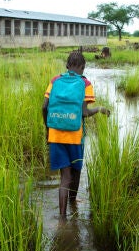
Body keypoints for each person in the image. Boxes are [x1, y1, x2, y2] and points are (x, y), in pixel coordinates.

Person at [42, 51, 110, 219]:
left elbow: (44, 107)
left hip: (55, 135)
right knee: (76, 172)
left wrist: (48, 130)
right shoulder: (85, 83)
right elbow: (85, 113)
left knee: (64, 178)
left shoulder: (55, 80)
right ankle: (73, 203)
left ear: (67, 65)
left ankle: (62, 219)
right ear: (83, 67)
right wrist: (100, 109)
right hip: (75, 137)